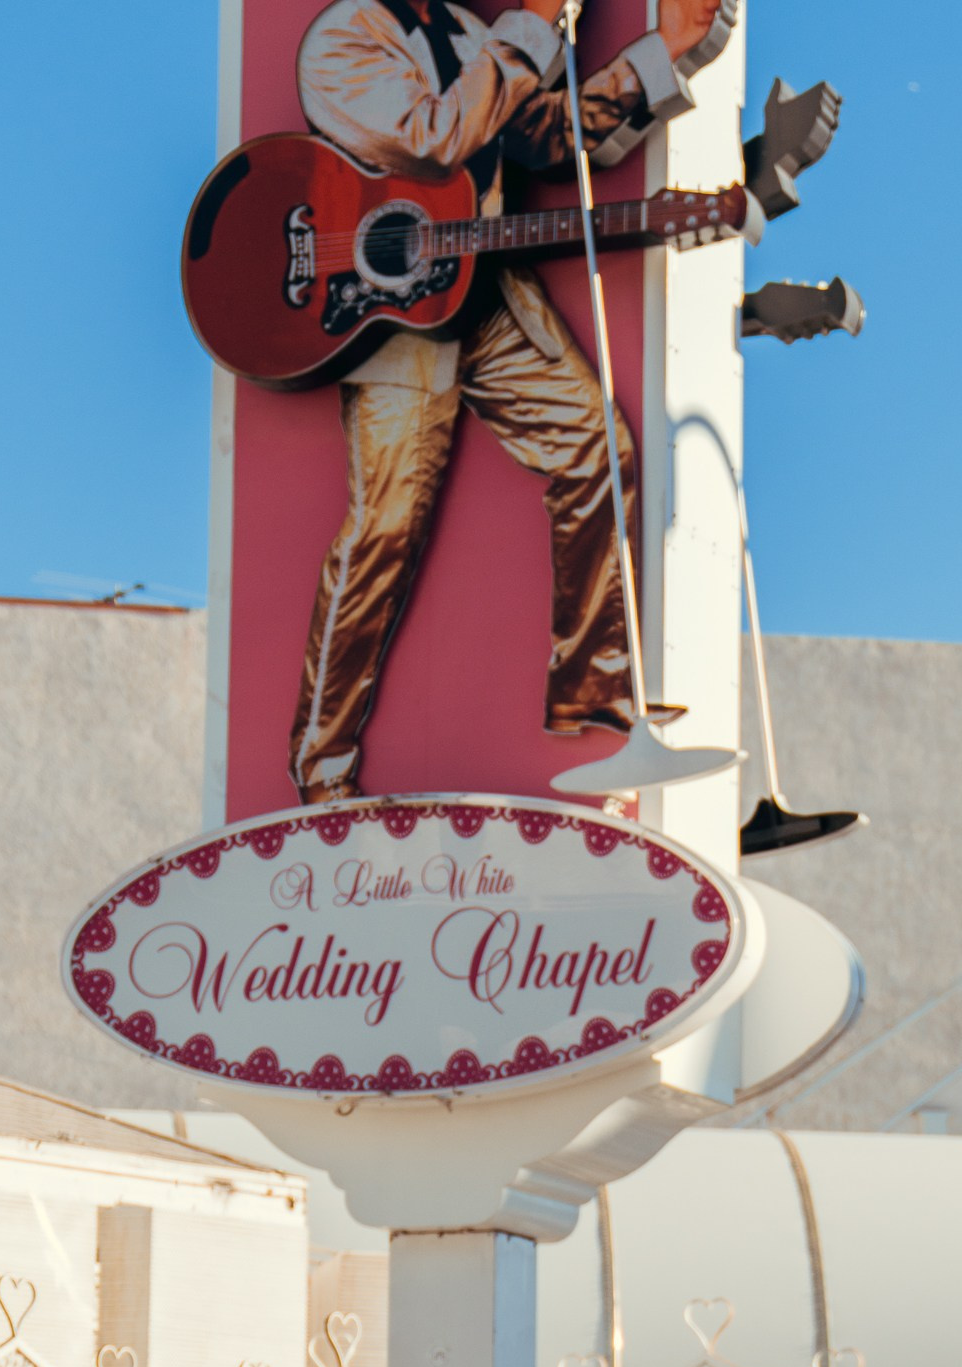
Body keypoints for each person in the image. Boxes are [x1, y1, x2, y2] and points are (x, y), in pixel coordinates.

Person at [287, 0, 738, 801]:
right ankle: (321, 770)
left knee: (598, 446)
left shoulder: (465, 30)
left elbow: (549, 138)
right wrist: (531, 24)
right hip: (388, 315)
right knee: (384, 535)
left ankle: (594, 688)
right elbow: (435, 141)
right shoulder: (343, 38)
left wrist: (659, 54)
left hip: (481, 290)